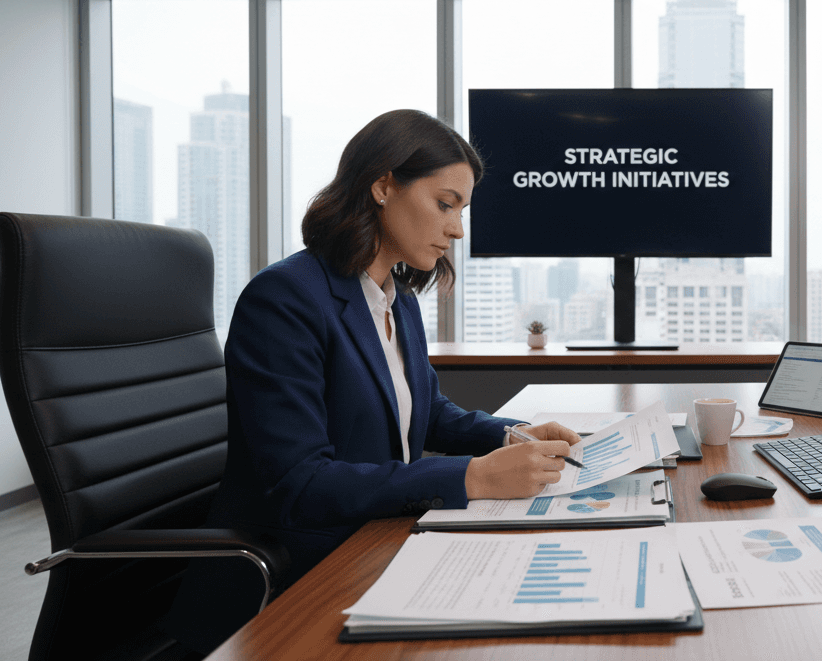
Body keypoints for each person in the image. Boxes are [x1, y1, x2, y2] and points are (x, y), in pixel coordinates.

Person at [166, 109, 580, 652]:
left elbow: (427, 413)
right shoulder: (285, 300)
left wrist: (511, 435)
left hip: (373, 542)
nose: (457, 228)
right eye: (445, 204)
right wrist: (473, 478)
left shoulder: (394, 298)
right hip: (301, 572)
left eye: (462, 210)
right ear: (383, 186)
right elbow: (300, 484)